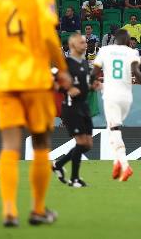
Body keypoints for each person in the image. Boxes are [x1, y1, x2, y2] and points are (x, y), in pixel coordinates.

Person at [0, 0, 71, 227]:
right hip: (36, 79)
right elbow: (48, 37)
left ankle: (9, 210)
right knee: (42, 143)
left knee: (9, 145)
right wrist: (63, 70)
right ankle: (38, 209)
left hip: (7, 80)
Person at [92, 28, 141, 182]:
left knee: (113, 130)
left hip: (111, 95)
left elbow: (94, 73)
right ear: (127, 41)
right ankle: (116, 163)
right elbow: (137, 73)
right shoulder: (132, 52)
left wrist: (86, 86)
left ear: (114, 39)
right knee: (113, 128)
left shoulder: (104, 51)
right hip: (126, 98)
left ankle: (125, 165)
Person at [52, 33, 97, 188]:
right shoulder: (66, 64)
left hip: (84, 107)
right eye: (81, 42)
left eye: (85, 42)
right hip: (71, 108)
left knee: (88, 144)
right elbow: (55, 82)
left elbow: (85, 84)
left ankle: (58, 164)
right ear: (72, 45)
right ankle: (74, 178)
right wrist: (68, 88)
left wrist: (93, 86)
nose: (85, 45)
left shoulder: (84, 63)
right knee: (81, 142)